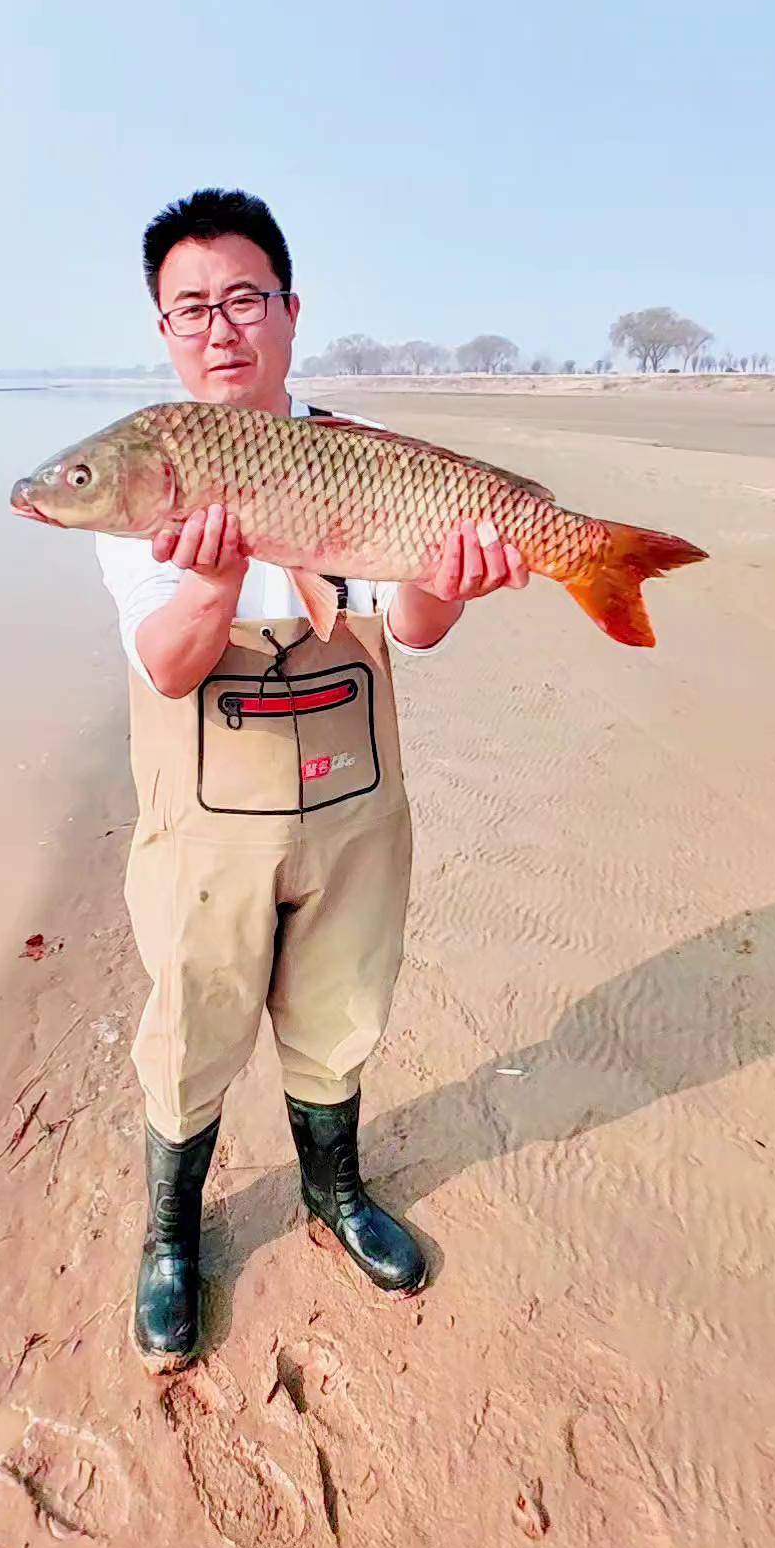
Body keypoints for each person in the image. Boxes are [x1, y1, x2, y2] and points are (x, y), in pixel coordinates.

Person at [97, 188, 528, 1371]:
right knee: (193, 1017)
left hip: (355, 808)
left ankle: (335, 1195)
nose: (220, 328)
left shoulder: (362, 457)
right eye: (191, 310)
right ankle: (174, 1238)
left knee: (341, 1007)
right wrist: (215, 576)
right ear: (165, 333)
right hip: (207, 827)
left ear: (289, 311)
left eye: (243, 299)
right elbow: (173, 661)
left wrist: (454, 572)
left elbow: (418, 624)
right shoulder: (143, 477)